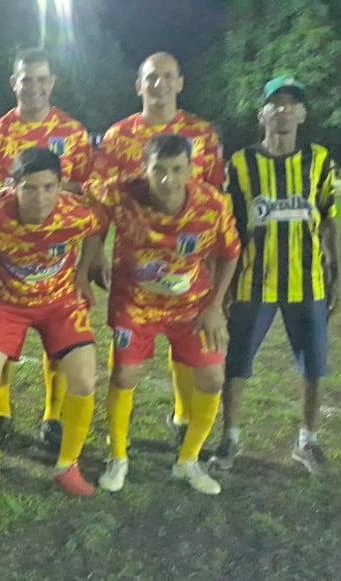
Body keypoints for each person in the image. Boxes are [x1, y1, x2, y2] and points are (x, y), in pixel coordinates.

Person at [88, 134, 240, 495]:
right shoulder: (121, 193)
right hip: (135, 304)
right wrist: (93, 257)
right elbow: (83, 198)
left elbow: (231, 252)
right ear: (145, 168)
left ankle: (188, 461)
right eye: (159, 170)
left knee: (213, 379)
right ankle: (118, 456)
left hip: (192, 308)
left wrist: (216, 306)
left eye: (177, 169)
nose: (168, 179)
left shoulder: (212, 204)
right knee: (125, 374)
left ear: (190, 169)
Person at [90, 51, 227, 449]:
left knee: (190, 343)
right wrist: (97, 249)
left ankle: (184, 415)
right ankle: (120, 447)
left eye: (168, 76)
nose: (160, 84)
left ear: (180, 83)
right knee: (129, 363)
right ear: (139, 86)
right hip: (137, 271)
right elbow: (100, 199)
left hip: (190, 265)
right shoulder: (118, 137)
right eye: (152, 77)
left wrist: (216, 276)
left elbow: (215, 200)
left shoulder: (201, 134)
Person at [210, 76, 338, 475]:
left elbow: (331, 221)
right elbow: (225, 229)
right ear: (261, 113)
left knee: (314, 364)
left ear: (302, 114)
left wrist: (338, 274)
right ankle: (229, 437)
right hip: (253, 281)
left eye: (291, 104)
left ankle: (308, 439)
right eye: (275, 104)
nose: (283, 110)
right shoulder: (241, 164)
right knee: (237, 363)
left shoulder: (319, 160)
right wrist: (223, 285)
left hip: (310, 282)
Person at [0, 47, 94, 449]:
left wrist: (87, 266)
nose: (34, 87)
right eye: (27, 79)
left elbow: (88, 199)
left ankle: (53, 416)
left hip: (54, 261)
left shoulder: (73, 133)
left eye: (42, 79)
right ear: (14, 84)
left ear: (52, 82)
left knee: (60, 344)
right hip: (6, 261)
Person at [0, 147, 102, 495]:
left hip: (59, 303)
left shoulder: (76, 213)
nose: (40, 197)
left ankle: (67, 466)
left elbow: (93, 232)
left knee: (85, 380)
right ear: (13, 186)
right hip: (6, 302)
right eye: (29, 188)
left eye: (48, 187)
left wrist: (83, 275)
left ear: (60, 186)